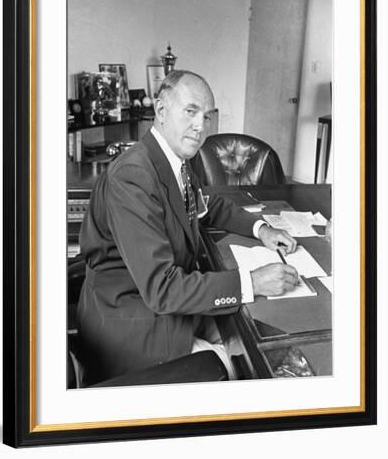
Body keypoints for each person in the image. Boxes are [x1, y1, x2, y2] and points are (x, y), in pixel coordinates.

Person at [77, 70, 298, 383]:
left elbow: (207, 206)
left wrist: (262, 228)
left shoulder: (173, 159)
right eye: (191, 111)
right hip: (134, 325)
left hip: (164, 307)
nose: (201, 127)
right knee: (253, 369)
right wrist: (251, 282)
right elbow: (163, 289)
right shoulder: (133, 176)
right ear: (161, 110)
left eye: (207, 116)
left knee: (266, 337)